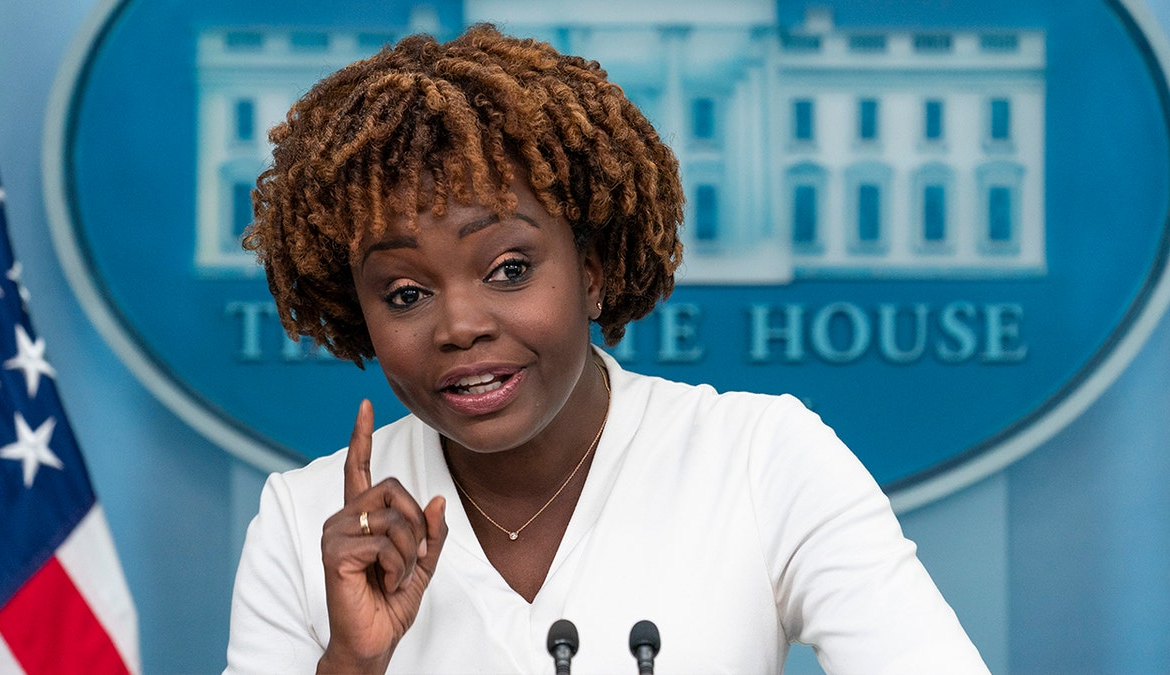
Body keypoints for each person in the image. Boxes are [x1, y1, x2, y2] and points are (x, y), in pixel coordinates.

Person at [225, 23, 989, 674]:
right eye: (405, 294)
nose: (459, 324)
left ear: (592, 272)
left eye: (509, 269)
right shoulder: (305, 522)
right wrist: (350, 666)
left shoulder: (762, 459)